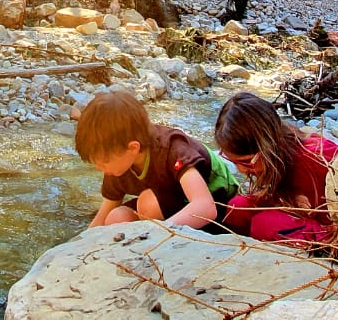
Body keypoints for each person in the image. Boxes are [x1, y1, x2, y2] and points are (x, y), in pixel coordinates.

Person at [75, 90, 239, 230]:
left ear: (133, 148)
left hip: (222, 208)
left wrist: (159, 234)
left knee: (148, 204)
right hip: (176, 204)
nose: (99, 168)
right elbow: (102, 217)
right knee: (116, 218)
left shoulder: (173, 150)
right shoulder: (118, 167)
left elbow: (205, 207)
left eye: (103, 161)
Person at [213, 91, 338, 246]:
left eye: (247, 162)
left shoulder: (319, 156)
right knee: (238, 207)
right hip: (302, 213)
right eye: (233, 162)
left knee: (263, 224)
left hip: (333, 230)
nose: (241, 170)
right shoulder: (280, 157)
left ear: (268, 148)